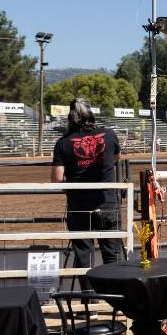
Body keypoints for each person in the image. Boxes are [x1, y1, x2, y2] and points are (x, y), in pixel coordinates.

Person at [51, 98, 122, 288]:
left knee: (84, 254)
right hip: (107, 201)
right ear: (91, 114)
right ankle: (116, 300)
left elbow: (57, 180)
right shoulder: (109, 135)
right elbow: (116, 158)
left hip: (79, 205)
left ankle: (90, 302)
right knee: (112, 251)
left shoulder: (63, 143)